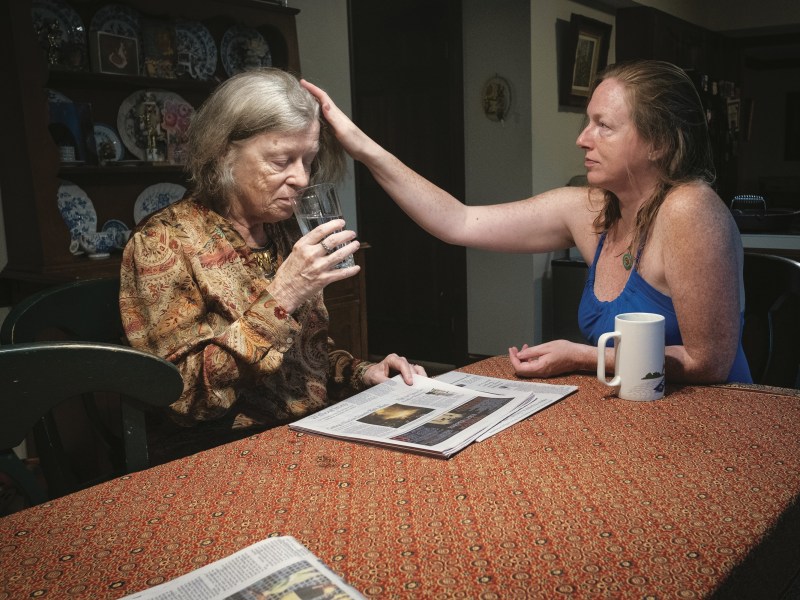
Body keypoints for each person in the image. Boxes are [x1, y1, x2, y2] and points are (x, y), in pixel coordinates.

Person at [302, 60, 752, 384]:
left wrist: (585, 357)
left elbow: (709, 361)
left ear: (659, 143)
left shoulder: (690, 209)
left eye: (603, 125)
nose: (583, 139)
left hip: (712, 420)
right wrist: (361, 147)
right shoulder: (591, 209)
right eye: (587, 122)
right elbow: (459, 221)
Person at [120, 68, 425, 460]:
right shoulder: (163, 243)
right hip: (213, 451)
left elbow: (303, 359)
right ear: (223, 153)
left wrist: (361, 374)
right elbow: (183, 399)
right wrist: (283, 295)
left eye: (308, 160)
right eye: (281, 161)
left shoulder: (284, 231)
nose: (301, 178)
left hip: (308, 432)